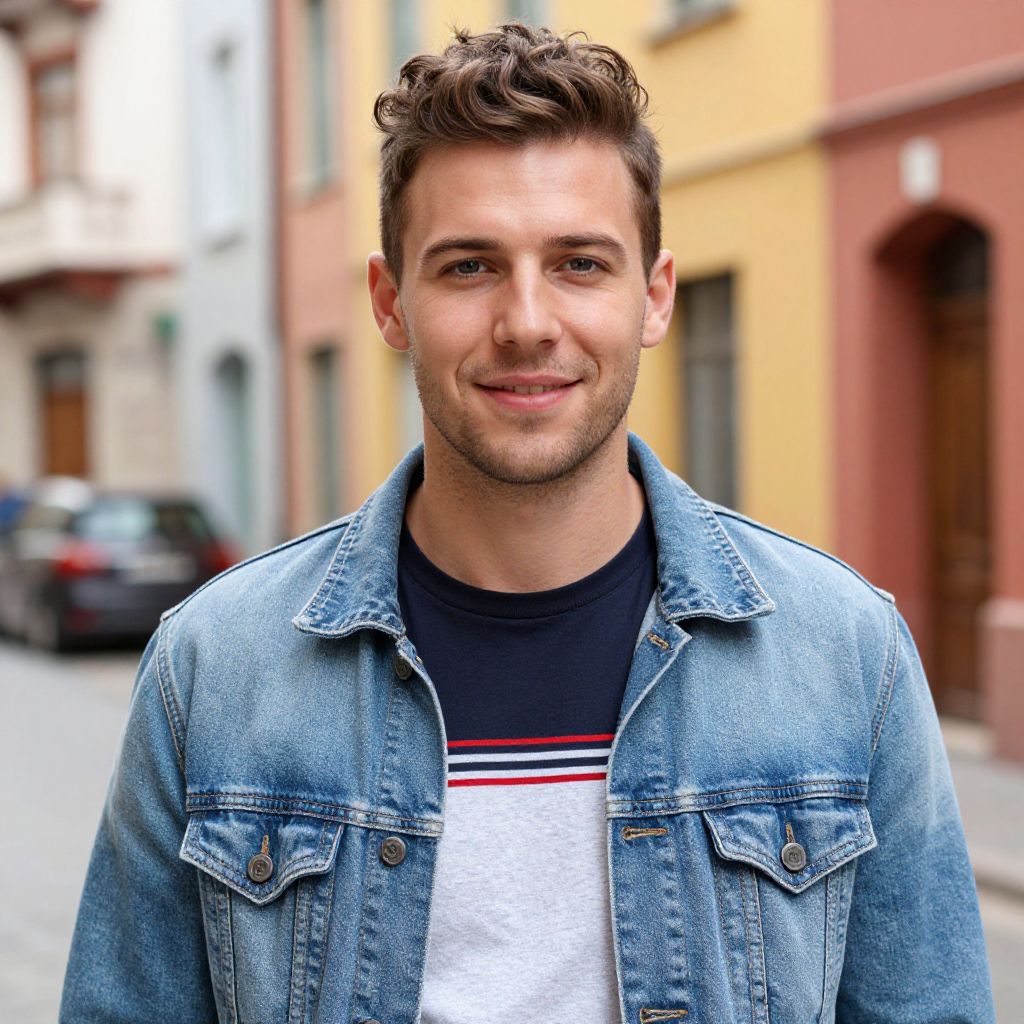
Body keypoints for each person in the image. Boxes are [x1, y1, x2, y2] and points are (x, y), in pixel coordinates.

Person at [60, 23, 994, 1024]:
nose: (527, 322)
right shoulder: (212, 670)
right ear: (389, 301)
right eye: (468, 267)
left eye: (579, 264)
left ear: (653, 294)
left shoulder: (845, 655)